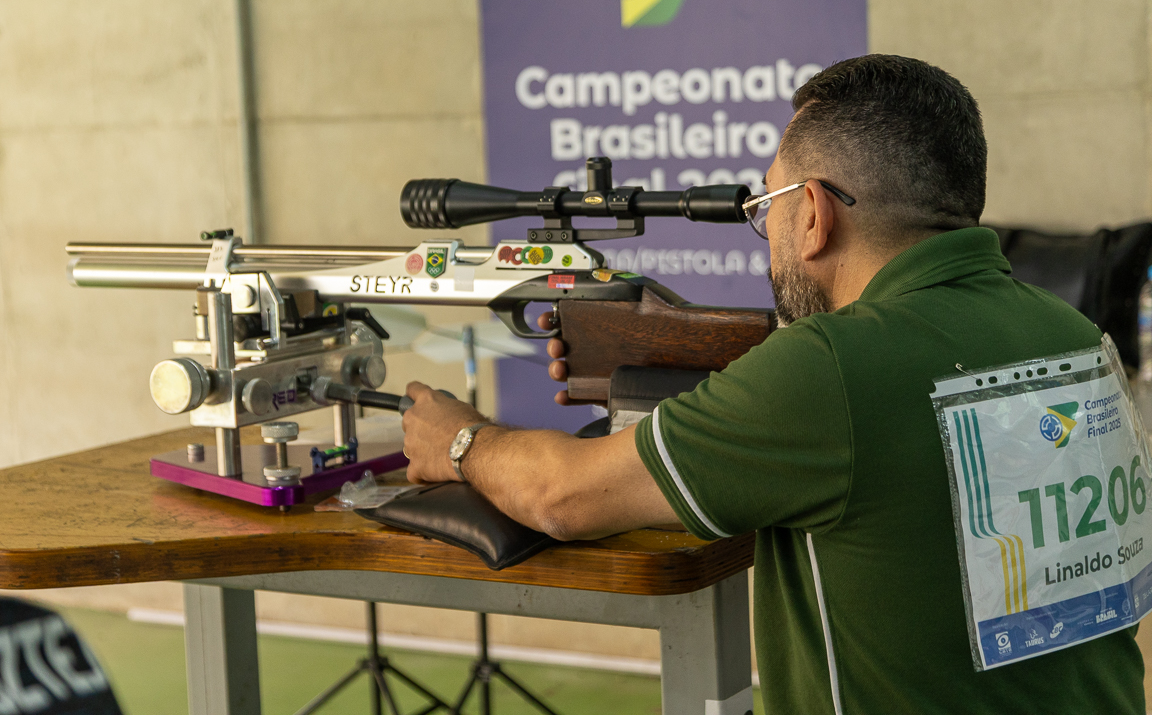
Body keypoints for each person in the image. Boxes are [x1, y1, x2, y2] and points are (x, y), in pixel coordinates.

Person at [399, 55, 1145, 713]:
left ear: (813, 213)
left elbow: (562, 497)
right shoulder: (1075, 336)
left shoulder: (829, 367)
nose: (769, 235)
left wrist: (458, 438)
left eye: (767, 207)